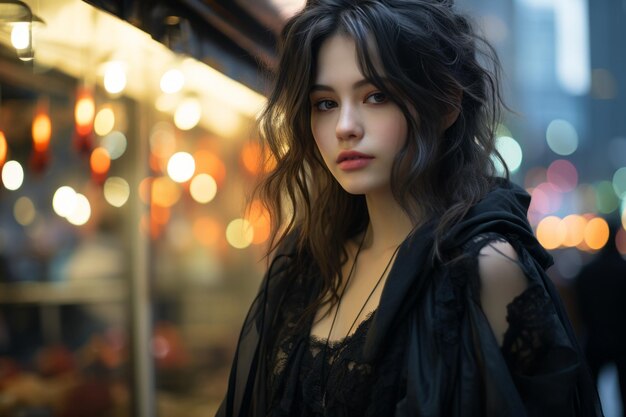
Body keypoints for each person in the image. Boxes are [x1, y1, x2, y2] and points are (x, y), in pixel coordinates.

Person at [217, 0, 604, 416]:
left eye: (376, 96)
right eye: (325, 103)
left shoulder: (481, 268)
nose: (345, 125)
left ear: (447, 105)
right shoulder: (307, 263)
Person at [575, 219, 626, 415]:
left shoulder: (587, 272)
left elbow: (580, 307)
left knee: (589, 396)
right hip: (622, 342)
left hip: (594, 339)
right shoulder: (623, 271)